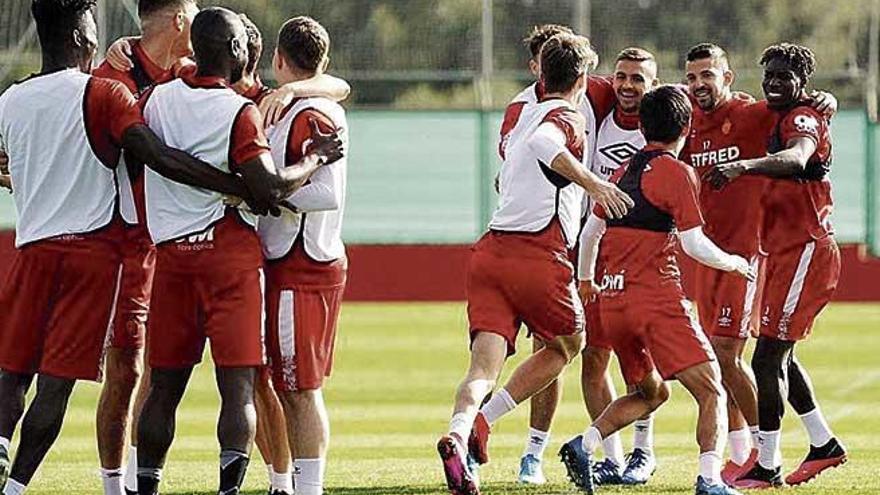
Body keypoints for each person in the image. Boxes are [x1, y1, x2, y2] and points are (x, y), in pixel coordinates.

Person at [0, 1, 266, 494]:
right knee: (79, 380)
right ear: (83, 38)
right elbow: (157, 155)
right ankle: (38, 486)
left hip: (59, 248)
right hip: (97, 250)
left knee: (21, 375)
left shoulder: (15, 98)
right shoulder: (106, 89)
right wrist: (240, 184)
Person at [132, 8, 343, 495]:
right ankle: (232, 489)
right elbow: (268, 189)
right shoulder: (239, 110)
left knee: (162, 387)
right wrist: (314, 158)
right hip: (228, 256)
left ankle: (144, 486)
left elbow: (143, 142)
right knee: (239, 386)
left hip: (171, 259)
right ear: (234, 52)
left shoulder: (158, 98)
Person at [438, 33, 615, 495]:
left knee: (482, 368)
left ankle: (458, 431)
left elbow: (510, 166)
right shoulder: (566, 115)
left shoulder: (521, 110)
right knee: (566, 345)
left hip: (491, 251)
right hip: (538, 253)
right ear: (580, 78)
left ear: (540, 69)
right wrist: (594, 184)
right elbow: (545, 144)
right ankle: (485, 423)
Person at [560, 85, 752, 495]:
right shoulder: (676, 171)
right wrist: (734, 262)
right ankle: (709, 479)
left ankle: (584, 444)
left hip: (614, 306)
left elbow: (591, 232)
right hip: (656, 301)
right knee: (711, 389)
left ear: (643, 125)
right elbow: (693, 243)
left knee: (651, 392)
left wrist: (588, 280)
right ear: (686, 126)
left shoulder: (619, 171)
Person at [707, 42, 847, 489]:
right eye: (769, 74)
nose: (774, 82)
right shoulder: (779, 114)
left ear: (801, 81)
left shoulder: (801, 117)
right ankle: (823, 444)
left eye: (784, 76)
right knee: (780, 355)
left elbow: (798, 156)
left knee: (767, 359)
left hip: (805, 248)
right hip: (786, 252)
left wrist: (741, 166)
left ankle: (766, 464)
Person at [499, 25, 630, 485]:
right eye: (536, 59)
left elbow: (646, 92)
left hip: (592, 233)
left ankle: (622, 454)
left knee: (599, 351)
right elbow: (517, 162)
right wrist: (590, 182)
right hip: (541, 237)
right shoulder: (522, 107)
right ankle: (531, 451)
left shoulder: (592, 90)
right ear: (533, 64)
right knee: (547, 348)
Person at [257, 16, 348, 495]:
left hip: (303, 260)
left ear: (277, 59)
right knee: (283, 383)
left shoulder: (313, 111)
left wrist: (264, 194)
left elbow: (326, 191)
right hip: (289, 259)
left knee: (299, 387)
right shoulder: (300, 104)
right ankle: (288, 484)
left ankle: (308, 488)